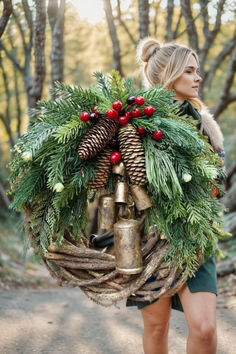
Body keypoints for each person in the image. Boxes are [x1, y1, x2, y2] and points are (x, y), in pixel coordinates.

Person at [127, 38, 225, 354]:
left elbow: (217, 183)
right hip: (150, 237)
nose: (198, 78)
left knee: (205, 328)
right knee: (156, 330)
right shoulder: (136, 120)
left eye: (197, 71)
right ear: (169, 74)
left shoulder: (204, 126)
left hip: (195, 236)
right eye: (190, 71)